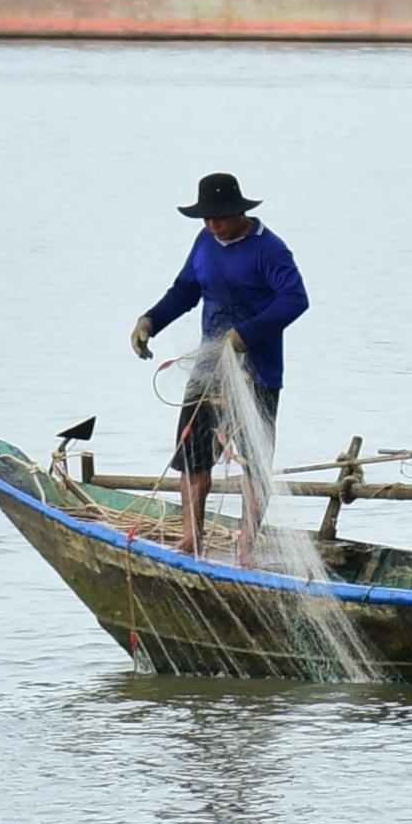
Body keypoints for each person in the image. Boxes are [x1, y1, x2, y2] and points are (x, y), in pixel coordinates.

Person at [129, 172, 309, 555]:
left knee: (253, 460)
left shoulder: (269, 250)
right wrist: (150, 321)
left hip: (256, 368)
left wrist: (247, 334)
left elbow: (295, 299)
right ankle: (192, 536)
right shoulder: (205, 242)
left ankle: (247, 542)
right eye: (207, 219)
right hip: (209, 367)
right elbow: (185, 290)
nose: (214, 225)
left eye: (221, 218)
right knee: (192, 453)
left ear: (239, 212)